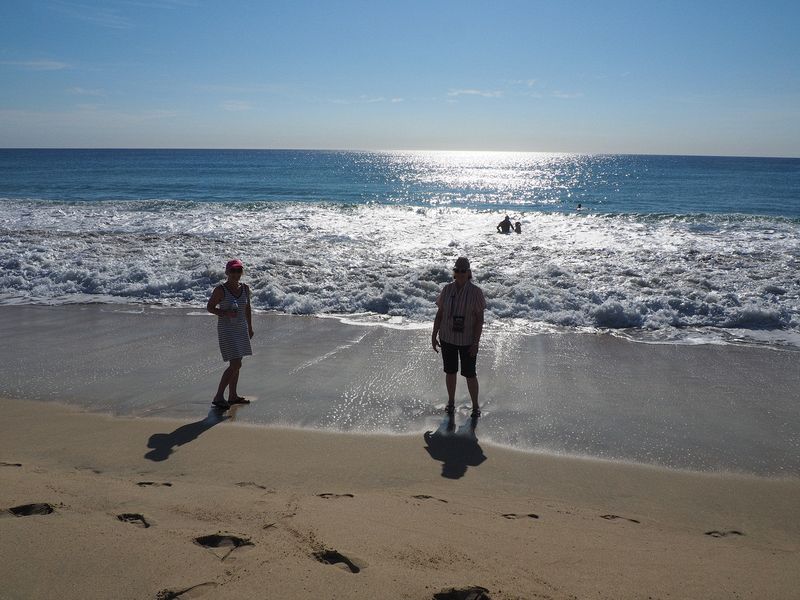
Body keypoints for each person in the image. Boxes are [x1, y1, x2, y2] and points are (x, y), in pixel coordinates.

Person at [431, 256, 486, 418]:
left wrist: (476, 342)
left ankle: (475, 406)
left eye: (464, 270)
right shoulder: (447, 289)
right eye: (457, 270)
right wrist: (434, 335)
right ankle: (451, 402)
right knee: (450, 372)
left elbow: (480, 320)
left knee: (470, 374)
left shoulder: (476, 292)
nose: (460, 273)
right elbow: (439, 314)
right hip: (447, 337)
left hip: (467, 340)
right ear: (454, 273)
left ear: (469, 273)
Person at [206, 259, 254, 410]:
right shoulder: (221, 290)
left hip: (241, 328)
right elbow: (210, 307)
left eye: (238, 271)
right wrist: (225, 312)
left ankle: (232, 395)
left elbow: (247, 308)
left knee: (237, 364)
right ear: (227, 272)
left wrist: (250, 327)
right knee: (235, 364)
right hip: (227, 330)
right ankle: (218, 396)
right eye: (232, 271)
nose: (236, 274)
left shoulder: (245, 288)